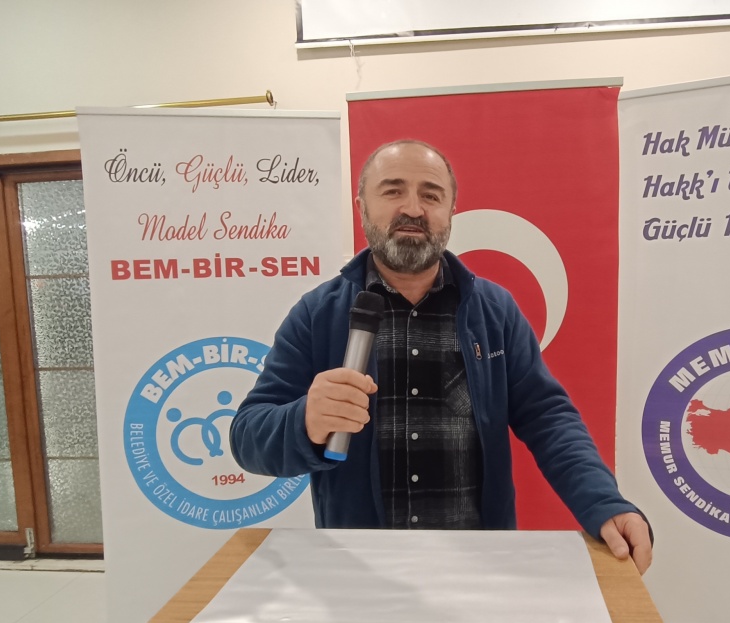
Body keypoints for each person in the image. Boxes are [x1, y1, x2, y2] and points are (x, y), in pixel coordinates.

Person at [230, 139, 652, 573]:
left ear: (451, 210)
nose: (413, 208)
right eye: (393, 191)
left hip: (480, 569)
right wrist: (304, 421)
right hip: (361, 574)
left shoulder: (494, 312)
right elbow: (246, 439)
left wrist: (603, 502)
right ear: (362, 207)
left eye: (431, 195)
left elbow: (548, 419)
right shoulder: (317, 315)